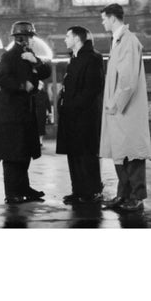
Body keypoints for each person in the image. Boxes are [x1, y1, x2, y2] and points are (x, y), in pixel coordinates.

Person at [0, 21, 51, 204]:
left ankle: (24, 188)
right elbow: (0, 78)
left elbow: (45, 72)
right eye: (31, 37)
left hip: (23, 114)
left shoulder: (28, 55)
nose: (33, 40)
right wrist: (22, 86)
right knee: (12, 156)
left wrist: (36, 61)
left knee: (23, 154)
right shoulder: (9, 56)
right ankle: (12, 193)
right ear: (23, 38)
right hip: (10, 115)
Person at [99, 4, 151, 212]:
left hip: (126, 110)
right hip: (119, 112)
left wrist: (115, 103)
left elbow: (128, 80)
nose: (102, 22)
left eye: (104, 18)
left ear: (113, 18)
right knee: (122, 153)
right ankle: (123, 195)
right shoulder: (118, 41)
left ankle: (136, 197)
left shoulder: (128, 41)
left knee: (133, 154)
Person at [56, 26, 105, 204]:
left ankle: (91, 191)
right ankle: (77, 191)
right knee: (74, 155)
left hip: (85, 117)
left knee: (87, 155)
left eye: (68, 36)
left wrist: (73, 105)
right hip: (71, 116)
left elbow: (92, 88)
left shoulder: (93, 58)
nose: (65, 39)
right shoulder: (74, 58)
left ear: (77, 38)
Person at [34, 81, 51, 147]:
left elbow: (48, 103)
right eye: (39, 84)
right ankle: (37, 141)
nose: (40, 86)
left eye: (41, 84)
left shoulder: (44, 93)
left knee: (41, 127)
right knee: (36, 127)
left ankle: (40, 141)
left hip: (42, 112)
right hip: (35, 112)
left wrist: (49, 112)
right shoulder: (34, 92)